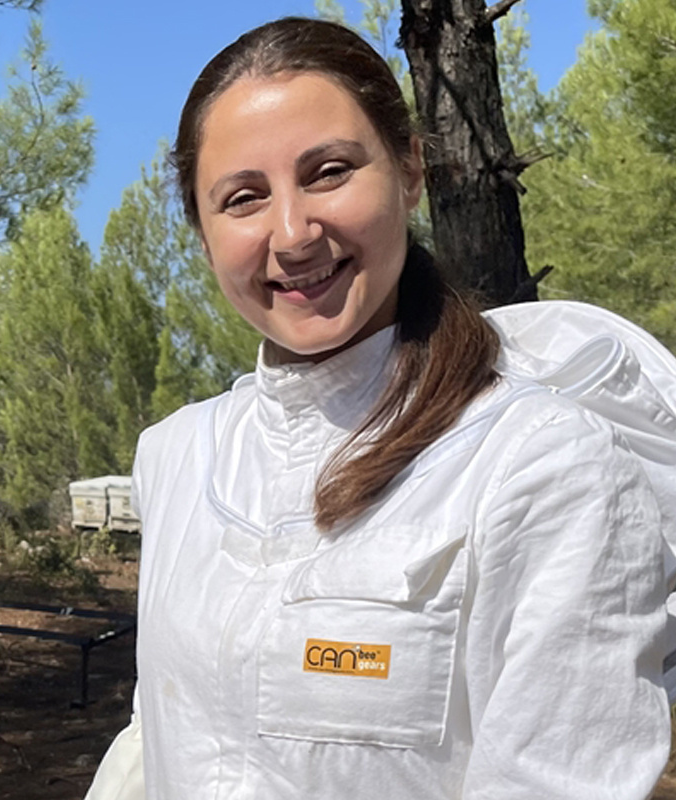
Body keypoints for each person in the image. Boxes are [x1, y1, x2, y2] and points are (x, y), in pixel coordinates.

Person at [85, 17, 673, 800]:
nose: (292, 234)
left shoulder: (544, 466)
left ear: (410, 171)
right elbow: (165, 737)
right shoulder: (177, 455)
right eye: (244, 197)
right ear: (201, 231)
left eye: (328, 172)